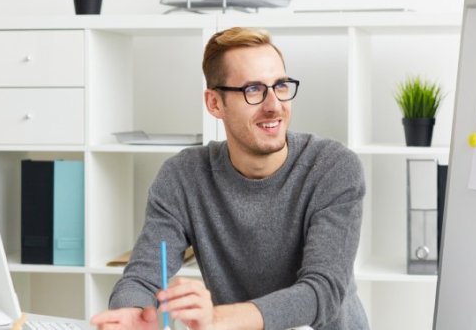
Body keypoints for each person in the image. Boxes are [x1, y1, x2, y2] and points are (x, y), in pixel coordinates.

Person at [90, 27, 369, 330]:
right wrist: (133, 310)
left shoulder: (332, 167)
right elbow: (143, 275)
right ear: (214, 104)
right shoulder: (182, 177)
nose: (274, 105)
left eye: (281, 86)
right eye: (253, 90)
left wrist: (218, 318)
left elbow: (322, 292)